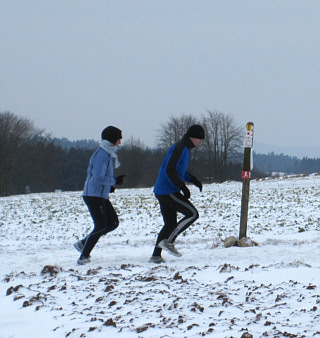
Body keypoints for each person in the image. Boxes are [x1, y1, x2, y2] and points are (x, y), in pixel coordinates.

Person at [149, 124, 205, 264]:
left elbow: (179, 170)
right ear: (193, 137)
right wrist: (182, 187)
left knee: (169, 224)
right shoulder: (180, 148)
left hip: (163, 190)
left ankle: (156, 256)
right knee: (192, 214)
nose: (201, 142)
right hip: (168, 190)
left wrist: (193, 179)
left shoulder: (183, 148)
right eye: (200, 139)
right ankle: (169, 242)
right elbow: (169, 170)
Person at [74, 126, 125, 265]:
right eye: (118, 139)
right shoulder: (102, 154)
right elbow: (98, 177)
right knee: (101, 225)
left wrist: (110, 187)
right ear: (112, 140)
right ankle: (84, 256)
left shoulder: (107, 153)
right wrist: (115, 181)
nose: (120, 142)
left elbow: (101, 178)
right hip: (93, 195)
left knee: (113, 223)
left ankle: (83, 243)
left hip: (100, 195)